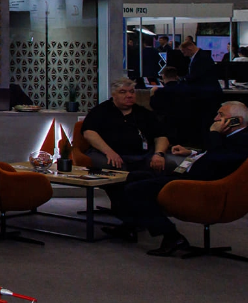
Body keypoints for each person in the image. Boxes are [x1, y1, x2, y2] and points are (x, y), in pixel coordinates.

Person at [123, 101, 248, 256]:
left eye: (221, 115)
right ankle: (129, 226)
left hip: (200, 186)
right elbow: (216, 155)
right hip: (191, 177)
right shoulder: (231, 138)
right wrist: (191, 153)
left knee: (135, 190)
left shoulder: (243, 140)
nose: (216, 118)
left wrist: (214, 133)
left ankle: (171, 236)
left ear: (237, 121)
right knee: (134, 177)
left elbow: (218, 159)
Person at [81, 78, 169, 238]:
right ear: (113, 94)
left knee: (163, 166)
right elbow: (89, 133)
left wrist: (159, 154)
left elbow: (161, 135)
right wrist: (109, 152)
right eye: (123, 92)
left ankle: (146, 213)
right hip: (109, 155)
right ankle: (130, 217)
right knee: (117, 170)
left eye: (131, 92)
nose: (129, 95)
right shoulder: (101, 111)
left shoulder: (143, 113)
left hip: (142, 155)